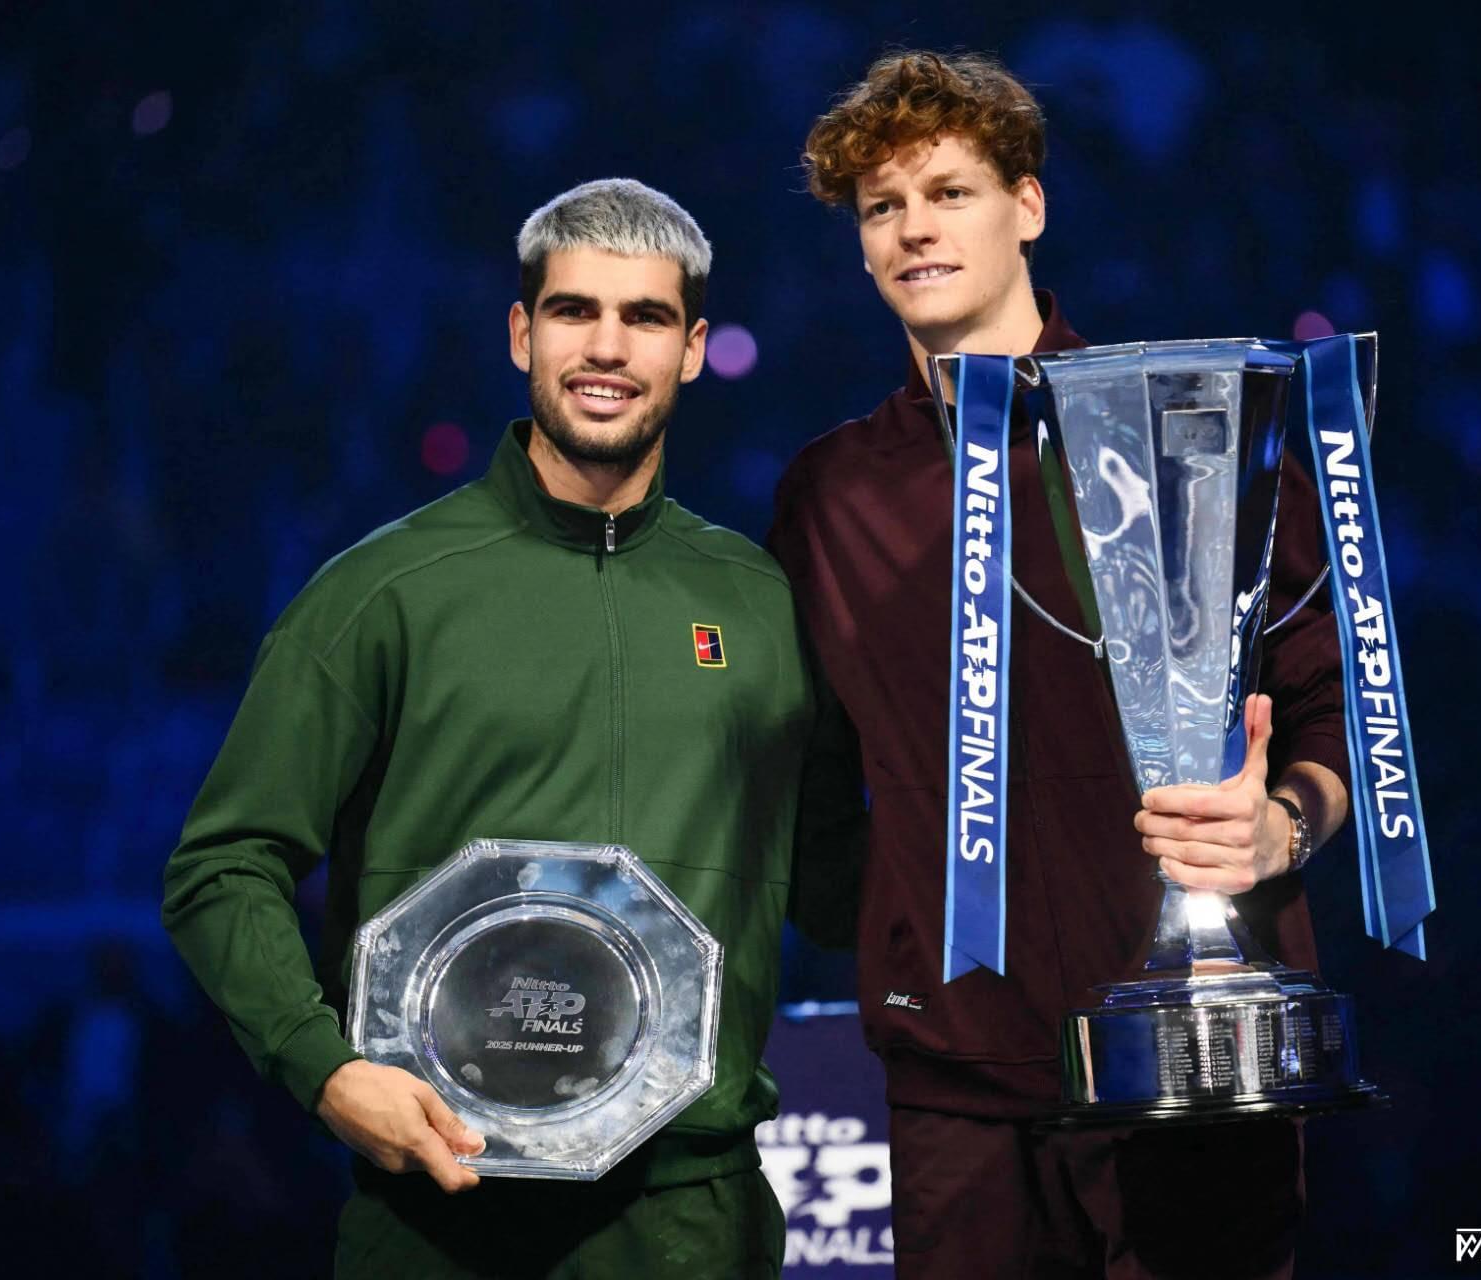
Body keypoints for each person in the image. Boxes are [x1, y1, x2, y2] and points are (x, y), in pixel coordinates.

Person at [768, 52, 1352, 1279]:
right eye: (881, 207)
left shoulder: (1188, 429)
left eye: (949, 192)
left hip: (1191, 1059)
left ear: (1026, 205)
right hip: (959, 1081)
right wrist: (890, 933)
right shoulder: (831, 493)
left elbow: (1327, 705)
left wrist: (1279, 829)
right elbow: (808, 769)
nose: (913, 228)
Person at [163, 178, 810, 1278]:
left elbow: (845, 866)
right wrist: (325, 1068)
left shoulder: (758, 601)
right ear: (521, 333)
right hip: (440, 1212)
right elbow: (224, 863)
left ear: (694, 349)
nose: (606, 347)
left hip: (688, 1219)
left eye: (646, 317)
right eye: (573, 310)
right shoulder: (385, 590)